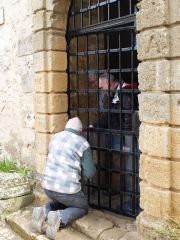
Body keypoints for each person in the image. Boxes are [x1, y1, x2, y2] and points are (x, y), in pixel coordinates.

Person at [32, 117, 96, 240]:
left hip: (48, 187)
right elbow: (89, 173)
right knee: (82, 207)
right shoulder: (83, 143)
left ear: (66, 127)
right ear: (81, 131)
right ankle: (60, 217)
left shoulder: (55, 137)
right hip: (67, 191)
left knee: (61, 201)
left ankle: (44, 211)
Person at [90, 73, 139, 212]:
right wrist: (94, 126)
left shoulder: (125, 93)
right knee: (125, 167)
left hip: (127, 138)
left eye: (102, 87)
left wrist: (125, 141)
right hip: (121, 136)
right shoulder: (116, 94)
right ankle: (129, 199)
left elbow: (128, 120)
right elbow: (109, 115)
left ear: (110, 83)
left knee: (130, 169)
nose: (102, 90)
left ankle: (133, 203)